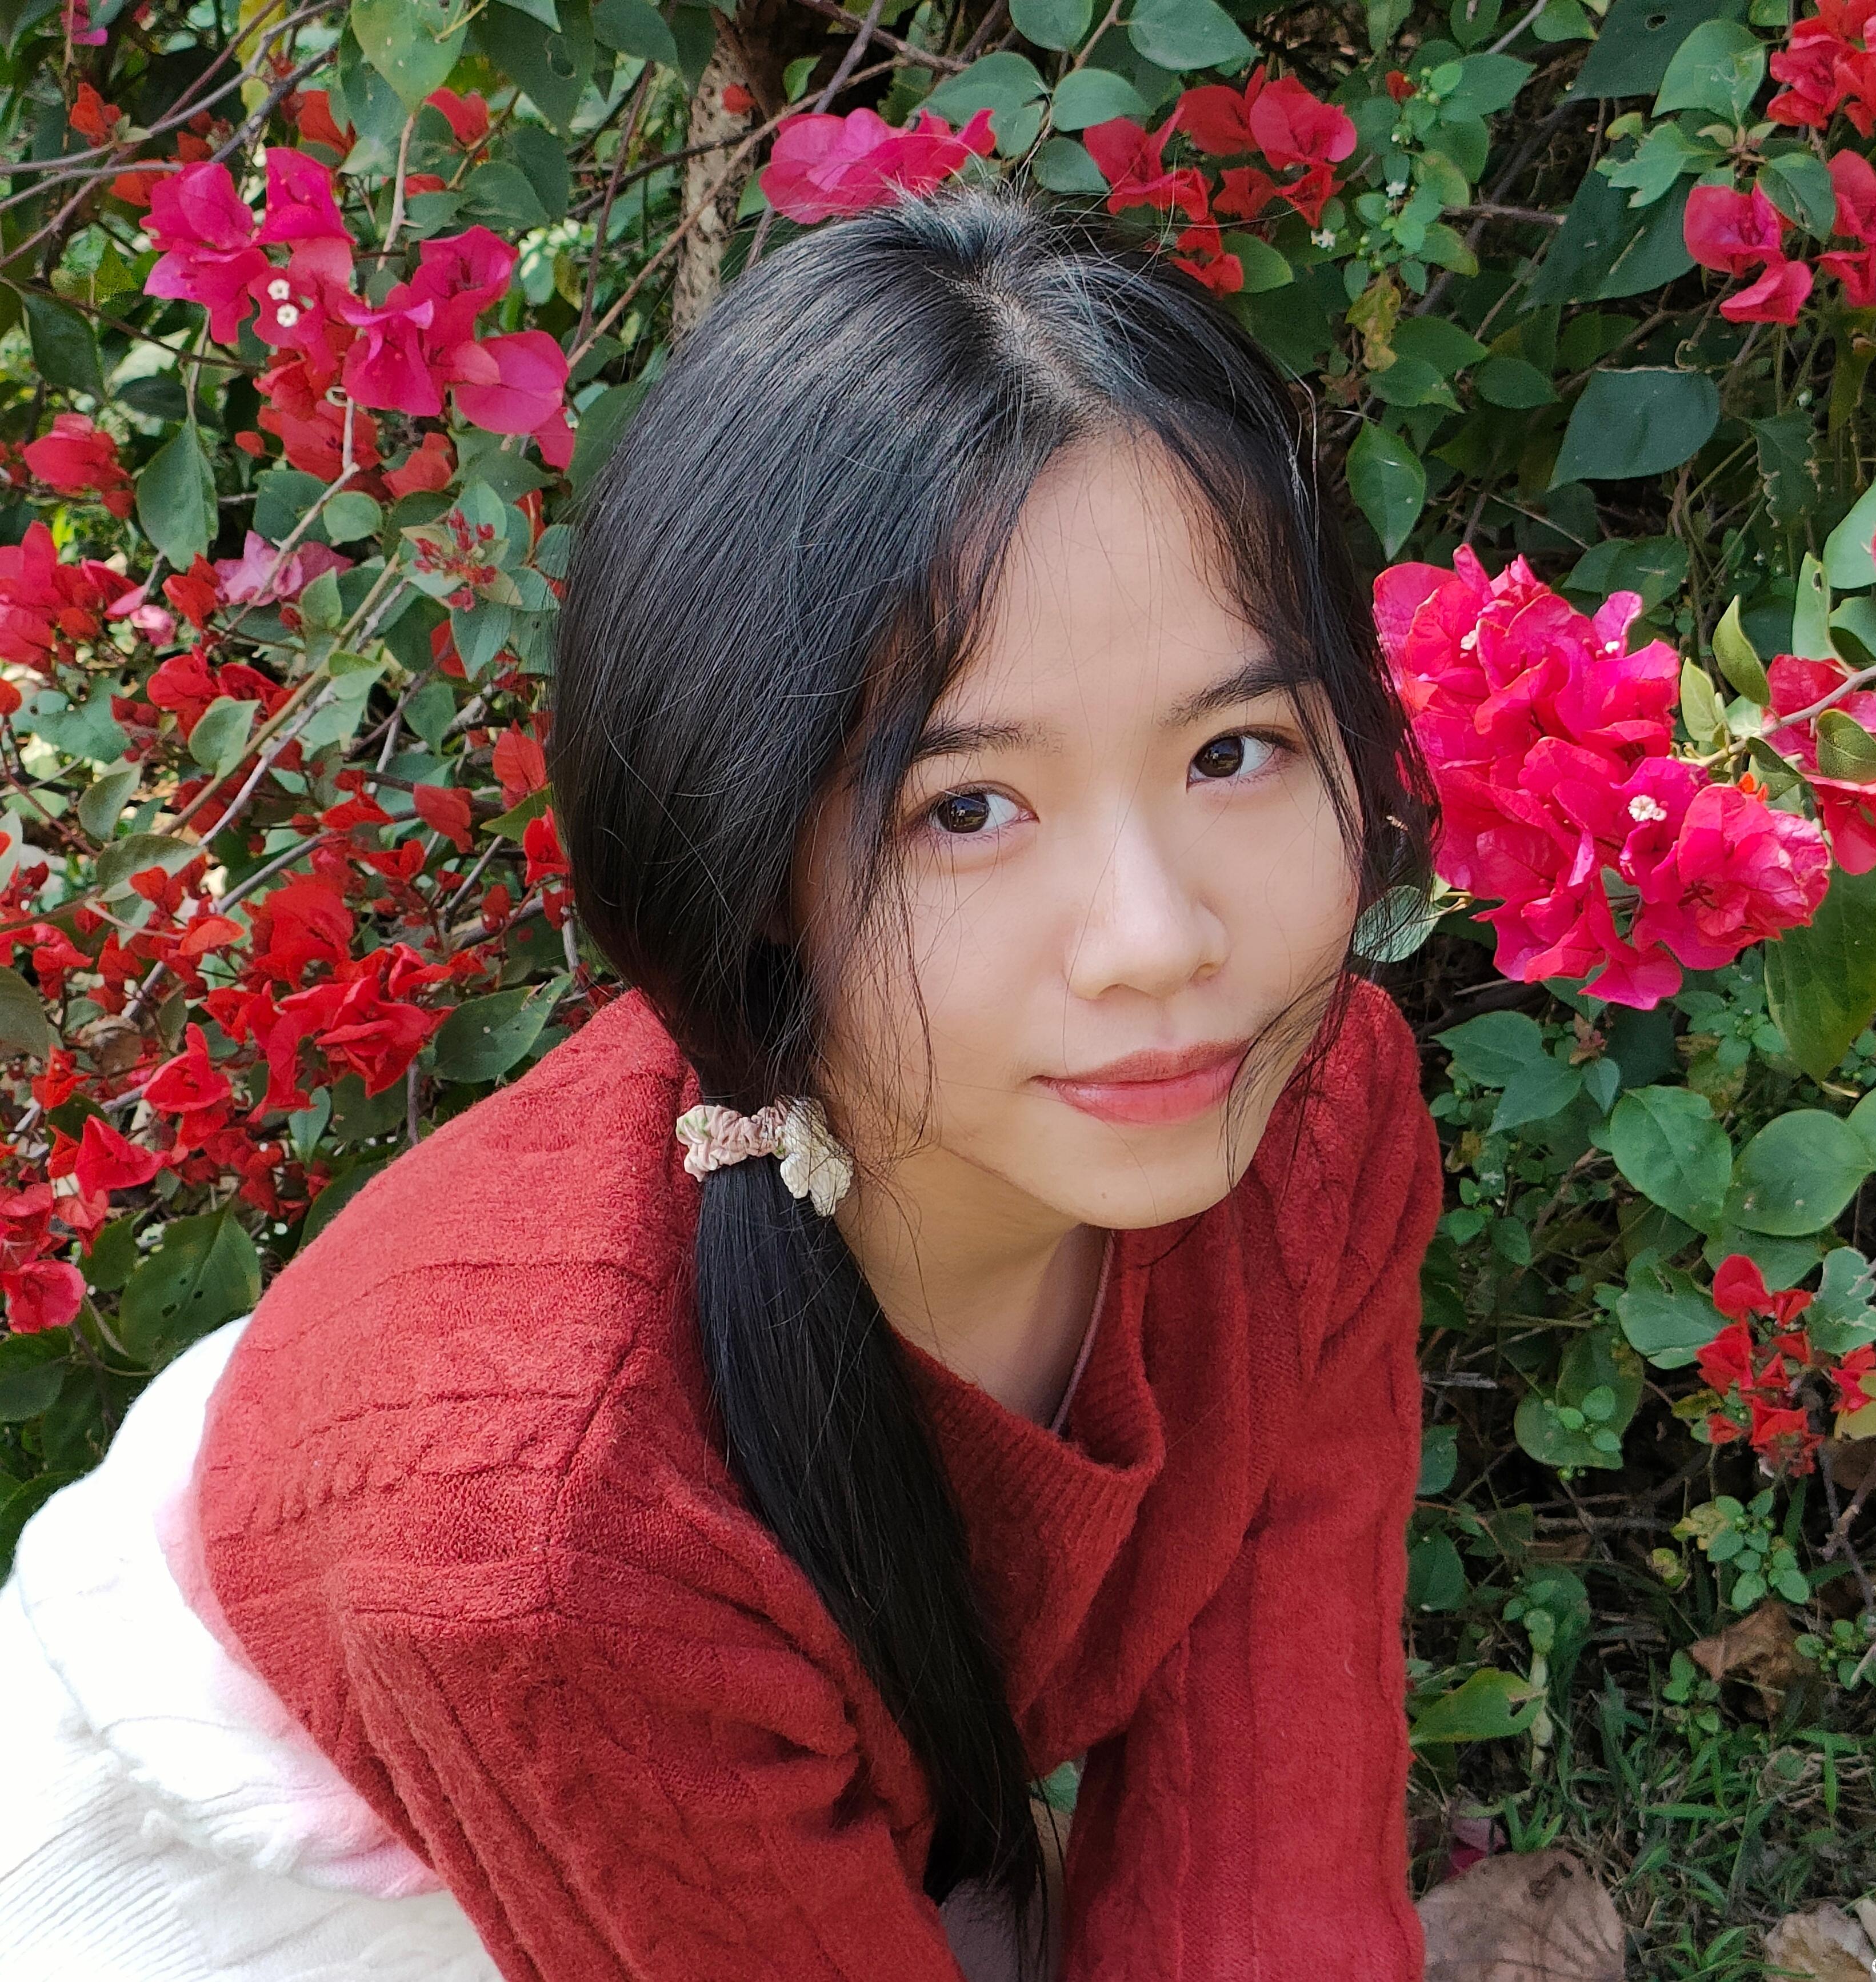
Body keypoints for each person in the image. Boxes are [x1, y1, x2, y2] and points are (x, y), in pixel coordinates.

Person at [0, 179, 1446, 1981]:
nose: (1155, 940)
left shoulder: (1306, 1116)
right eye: (965, 806)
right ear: (750, 852)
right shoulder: (539, 1531)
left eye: (1233, 749)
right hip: (289, 1878)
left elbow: (1265, 1860)